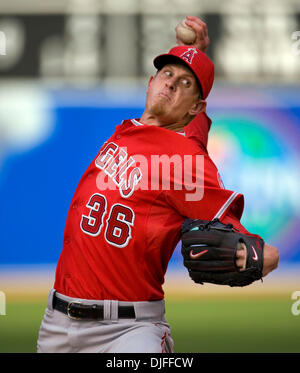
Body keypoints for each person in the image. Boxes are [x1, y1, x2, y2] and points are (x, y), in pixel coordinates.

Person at [37, 17, 279, 353]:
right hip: (56, 324)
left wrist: (259, 256)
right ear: (151, 82)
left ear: (196, 107)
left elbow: (252, 247)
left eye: (185, 83)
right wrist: (195, 55)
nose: (171, 84)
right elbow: (194, 132)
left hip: (127, 332)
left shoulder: (186, 163)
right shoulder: (129, 129)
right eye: (167, 74)